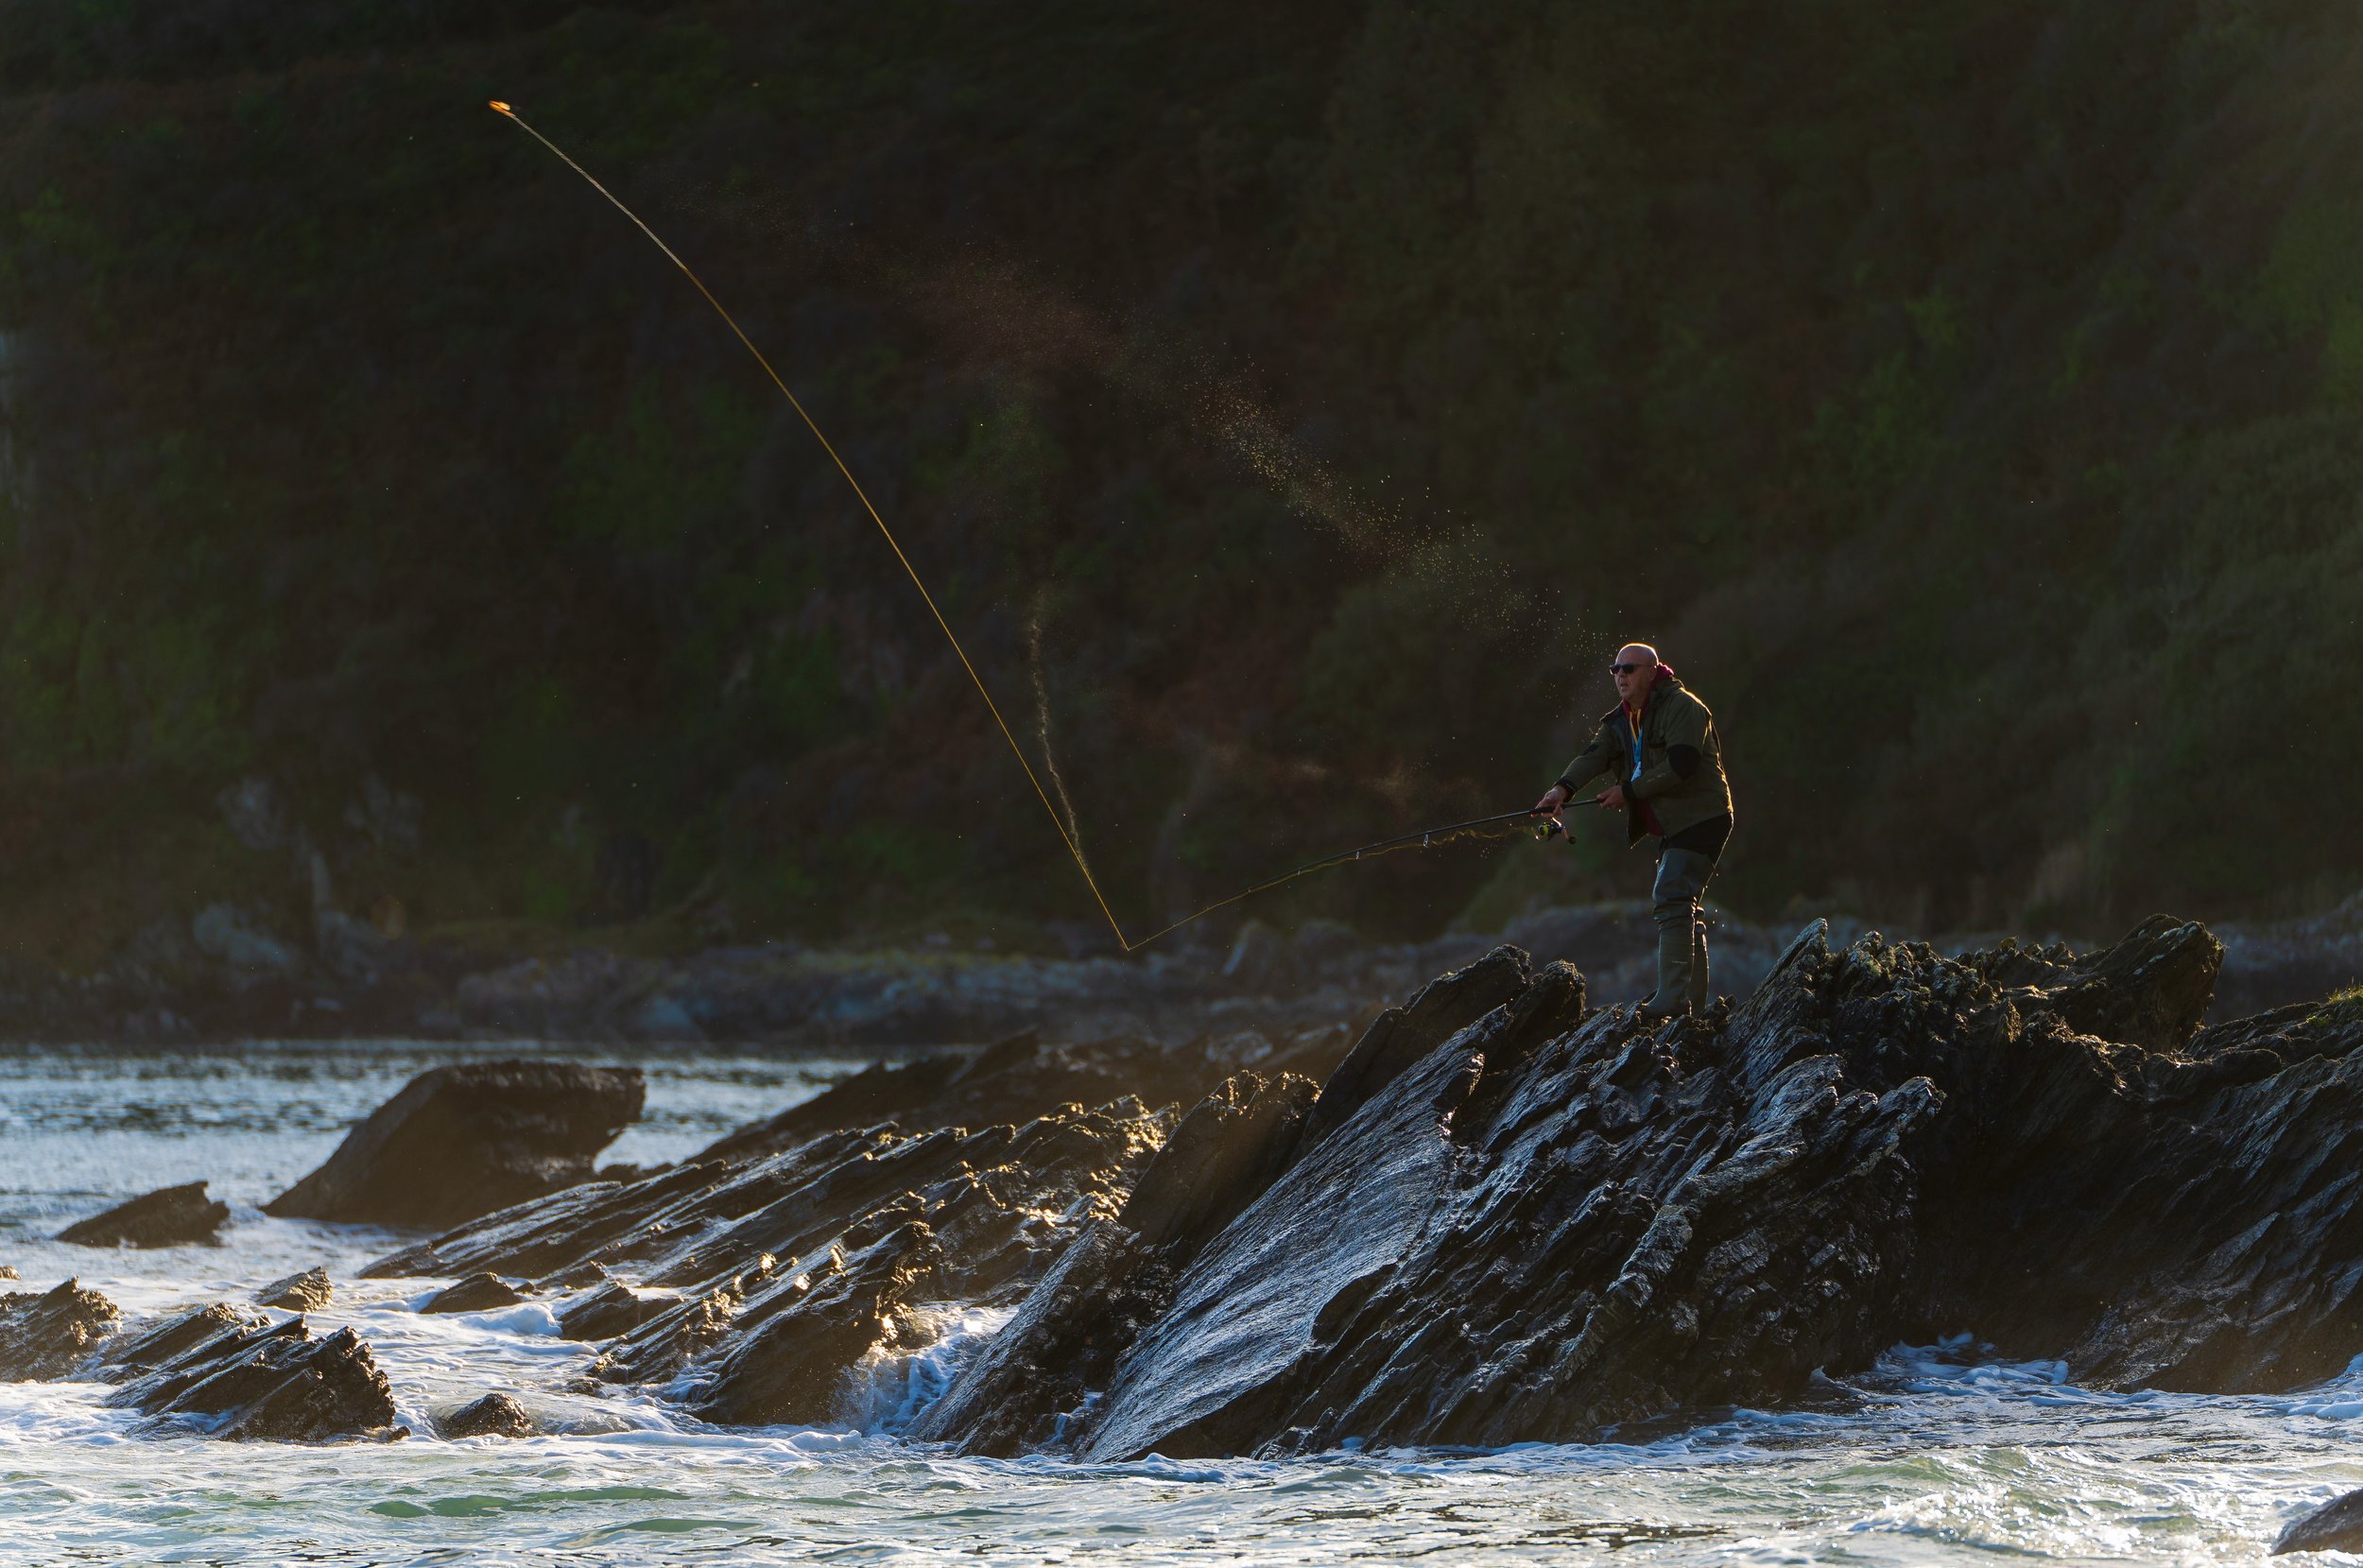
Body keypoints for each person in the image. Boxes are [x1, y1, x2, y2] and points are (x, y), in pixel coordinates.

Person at [1532, 643, 1733, 1020]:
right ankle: (1690, 1004)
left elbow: (1682, 765)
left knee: (1672, 895)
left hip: (1703, 816)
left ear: (1652, 672)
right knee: (1682, 903)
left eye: (1629, 669)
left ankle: (1673, 1001)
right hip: (1675, 823)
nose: (1620, 676)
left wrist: (1628, 791)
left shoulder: (1684, 707)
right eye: (1616, 670)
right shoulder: (1623, 718)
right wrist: (1561, 791)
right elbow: (1595, 754)